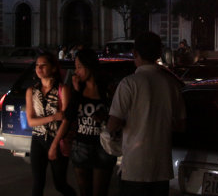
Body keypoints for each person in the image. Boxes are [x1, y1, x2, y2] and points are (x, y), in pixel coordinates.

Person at [108, 31, 186, 196]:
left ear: (135, 53)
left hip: (134, 168)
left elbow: (112, 124)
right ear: (159, 53)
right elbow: (181, 125)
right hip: (161, 169)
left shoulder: (129, 83)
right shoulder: (171, 84)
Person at [66, 49, 116, 196]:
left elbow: (119, 114)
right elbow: (69, 115)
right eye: (75, 67)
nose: (77, 71)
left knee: (100, 191)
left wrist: (105, 116)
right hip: (81, 145)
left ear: (89, 66)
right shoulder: (78, 89)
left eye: (79, 67)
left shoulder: (107, 88)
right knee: (84, 191)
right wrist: (75, 91)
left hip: (103, 146)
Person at [26, 52, 76, 196]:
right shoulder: (32, 91)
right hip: (38, 139)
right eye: (37, 66)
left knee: (60, 184)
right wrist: (53, 117)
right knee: (37, 183)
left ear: (53, 68)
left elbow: (66, 120)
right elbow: (31, 121)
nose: (39, 69)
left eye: (43, 65)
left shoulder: (62, 89)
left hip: (57, 138)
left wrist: (54, 146)